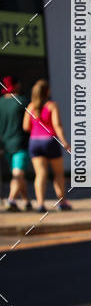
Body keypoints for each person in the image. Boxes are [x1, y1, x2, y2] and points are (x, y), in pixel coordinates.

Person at [23, 79, 72, 212]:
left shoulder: (30, 107)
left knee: (40, 174)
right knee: (58, 174)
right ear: (47, 91)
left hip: (34, 142)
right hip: (50, 141)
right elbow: (57, 125)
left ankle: (40, 204)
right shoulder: (52, 106)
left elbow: (26, 126)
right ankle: (62, 203)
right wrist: (65, 142)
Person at [0, 76, 32, 212]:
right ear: (16, 85)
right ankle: (11, 200)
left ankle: (26, 201)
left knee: (18, 174)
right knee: (18, 174)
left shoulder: (0, 102)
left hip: (5, 145)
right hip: (20, 144)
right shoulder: (22, 101)